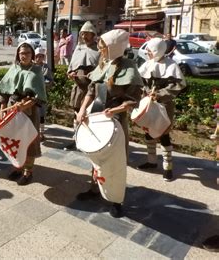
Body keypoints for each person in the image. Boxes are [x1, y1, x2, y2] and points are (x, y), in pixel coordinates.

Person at [76, 29, 143, 217]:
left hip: (115, 120)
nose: (100, 48)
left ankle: (116, 199)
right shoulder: (102, 64)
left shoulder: (128, 66)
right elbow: (91, 91)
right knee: (96, 155)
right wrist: (82, 110)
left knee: (115, 160)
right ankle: (94, 188)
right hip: (96, 116)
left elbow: (133, 99)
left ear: (114, 47)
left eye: (103, 46)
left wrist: (115, 110)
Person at [0, 42, 47, 186]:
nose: (24, 56)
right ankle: (17, 167)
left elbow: (37, 97)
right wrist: (2, 110)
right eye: (21, 53)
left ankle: (28, 172)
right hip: (12, 109)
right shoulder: (13, 69)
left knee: (28, 139)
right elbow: (4, 92)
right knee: (14, 139)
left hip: (29, 112)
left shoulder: (36, 70)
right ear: (18, 54)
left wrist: (23, 106)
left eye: (27, 53)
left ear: (32, 55)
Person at [137, 38, 186, 181]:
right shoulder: (148, 64)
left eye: (150, 50)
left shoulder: (171, 65)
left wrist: (159, 94)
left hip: (164, 105)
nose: (147, 52)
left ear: (158, 50)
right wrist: (146, 92)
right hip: (148, 103)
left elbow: (179, 85)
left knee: (163, 134)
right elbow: (141, 81)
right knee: (148, 132)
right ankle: (152, 161)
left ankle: (168, 168)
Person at [66, 21, 100, 148]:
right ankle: (77, 139)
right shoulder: (79, 48)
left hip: (92, 90)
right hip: (79, 88)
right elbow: (72, 66)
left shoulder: (99, 49)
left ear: (93, 34)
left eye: (87, 34)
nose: (84, 37)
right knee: (76, 113)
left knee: (90, 115)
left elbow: (102, 67)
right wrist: (71, 73)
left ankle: (88, 140)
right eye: (82, 34)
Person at [34, 47, 53, 140]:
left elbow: (50, 80)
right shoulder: (31, 66)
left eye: (41, 56)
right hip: (33, 95)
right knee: (34, 113)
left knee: (41, 114)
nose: (39, 58)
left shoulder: (45, 67)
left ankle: (41, 133)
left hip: (42, 94)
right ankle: (34, 132)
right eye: (37, 56)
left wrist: (46, 83)